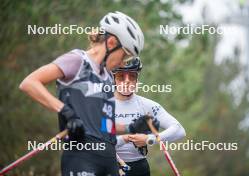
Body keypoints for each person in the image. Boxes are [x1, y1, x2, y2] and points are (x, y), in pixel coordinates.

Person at [19, 11, 146, 176]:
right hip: (82, 156)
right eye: (125, 54)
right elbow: (29, 83)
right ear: (112, 42)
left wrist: (131, 127)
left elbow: (103, 125)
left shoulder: (107, 78)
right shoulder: (77, 60)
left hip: (108, 158)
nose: (123, 62)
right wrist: (66, 112)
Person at [113, 58, 186, 176]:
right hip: (108, 165)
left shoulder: (147, 105)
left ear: (137, 79)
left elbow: (179, 130)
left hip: (139, 168)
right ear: (114, 79)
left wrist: (149, 139)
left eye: (132, 76)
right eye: (121, 76)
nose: (127, 81)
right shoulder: (102, 104)